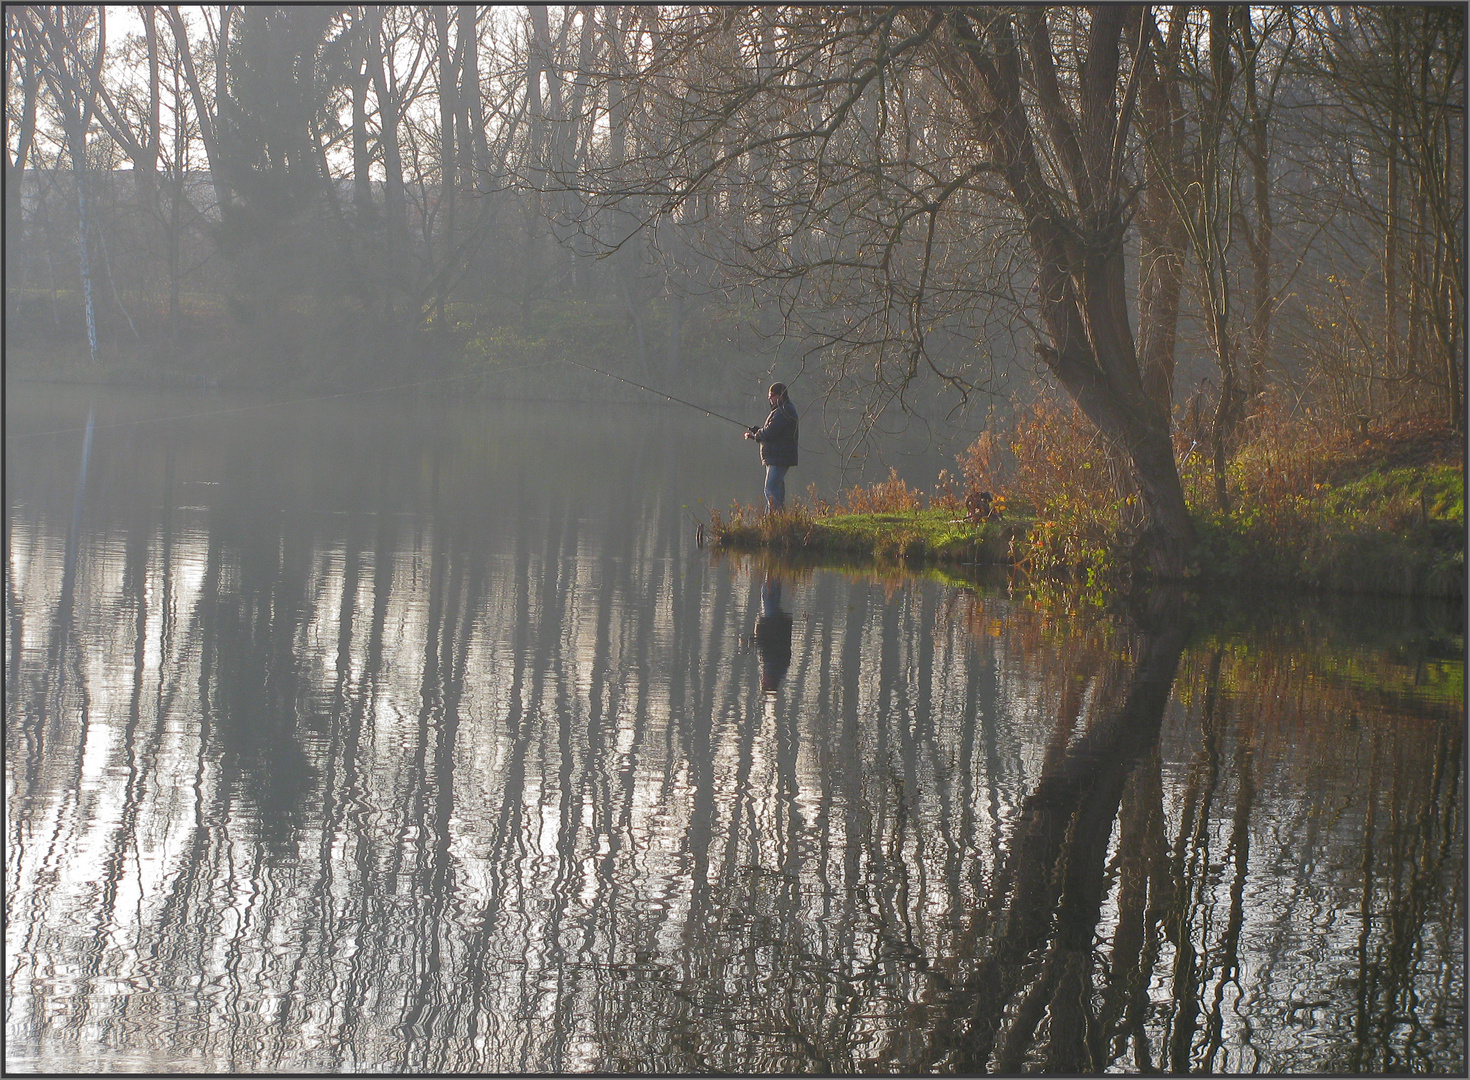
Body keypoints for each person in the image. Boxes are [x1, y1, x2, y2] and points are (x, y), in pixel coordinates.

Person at [743, 382, 798, 512]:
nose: (770, 398)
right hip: (777, 457)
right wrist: (758, 432)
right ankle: (777, 521)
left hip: (779, 457)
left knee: (770, 489)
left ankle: (772, 521)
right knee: (776, 490)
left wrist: (758, 433)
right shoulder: (781, 410)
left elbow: (770, 432)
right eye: (769, 395)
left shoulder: (784, 410)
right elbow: (771, 432)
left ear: (781, 395)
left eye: (772, 395)